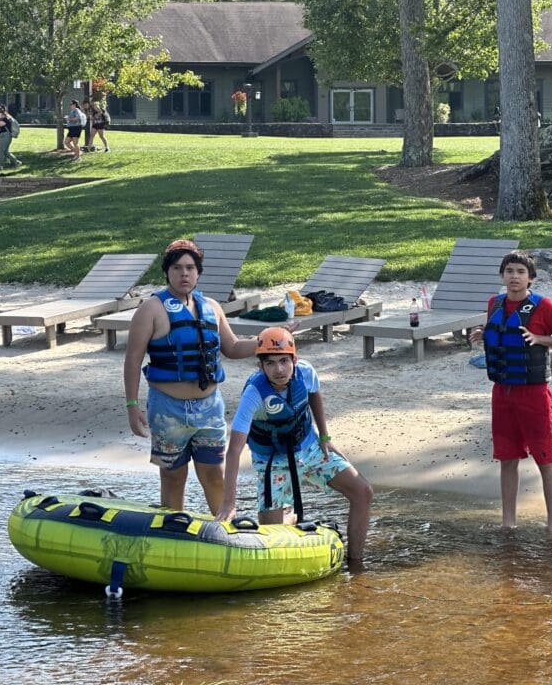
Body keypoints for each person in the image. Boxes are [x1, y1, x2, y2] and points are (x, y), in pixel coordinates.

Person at [124, 238, 265, 515]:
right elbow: (133, 359)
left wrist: (271, 339)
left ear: (198, 272)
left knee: (215, 474)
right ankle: (175, 530)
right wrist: (132, 406)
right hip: (167, 408)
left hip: (209, 407)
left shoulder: (211, 307)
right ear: (167, 272)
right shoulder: (151, 309)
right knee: (174, 476)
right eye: (177, 268)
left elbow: (233, 348)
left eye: (190, 267)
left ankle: (225, 531)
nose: (184, 274)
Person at [216, 327, 373, 564]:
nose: (278, 369)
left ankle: (355, 565)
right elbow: (235, 449)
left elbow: (314, 395)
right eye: (270, 363)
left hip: (309, 448)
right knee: (271, 535)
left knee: (363, 492)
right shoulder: (253, 394)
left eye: (283, 361)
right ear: (261, 367)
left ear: (294, 360)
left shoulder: (306, 372)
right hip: (273, 462)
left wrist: (325, 437)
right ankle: (286, 517)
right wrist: (229, 503)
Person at [469, 250, 552, 535]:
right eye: (509, 271)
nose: (514, 276)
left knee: (545, 457)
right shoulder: (495, 303)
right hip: (502, 393)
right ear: (502, 275)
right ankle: (508, 522)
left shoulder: (543, 306)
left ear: (530, 278)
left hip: (534, 394)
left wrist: (539, 338)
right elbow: (500, 334)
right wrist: (483, 334)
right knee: (507, 458)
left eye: (520, 272)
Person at [0, 104, 22, 169]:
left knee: (0, 150)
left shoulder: (5, 118)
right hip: (5, 136)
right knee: (5, 151)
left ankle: (0, 165)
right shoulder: (6, 117)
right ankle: (16, 162)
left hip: (5, 136)